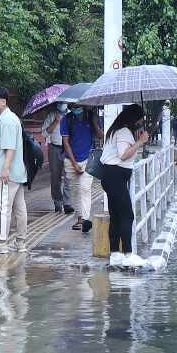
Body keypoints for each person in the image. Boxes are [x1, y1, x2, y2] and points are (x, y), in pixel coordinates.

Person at [97, 103, 151, 268]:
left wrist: (137, 141)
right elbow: (123, 155)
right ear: (134, 118)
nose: (141, 123)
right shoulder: (123, 132)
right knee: (127, 215)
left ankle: (115, 254)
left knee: (116, 216)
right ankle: (128, 254)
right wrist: (140, 142)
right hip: (115, 177)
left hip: (111, 176)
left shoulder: (117, 130)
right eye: (140, 120)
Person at [0, 85, 28, 253]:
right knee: (19, 207)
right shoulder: (11, 118)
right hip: (17, 172)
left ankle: (2, 243)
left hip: (8, 173)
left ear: (3, 101)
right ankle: (20, 242)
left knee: (4, 207)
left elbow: (9, 147)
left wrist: (5, 168)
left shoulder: (7, 120)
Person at [64, 103, 100, 235]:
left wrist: (94, 121)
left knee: (85, 189)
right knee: (75, 191)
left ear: (84, 106)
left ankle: (85, 220)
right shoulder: (66, 119)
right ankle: (79, 218)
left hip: (88, 158)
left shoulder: (91, 118)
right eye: (72, 106)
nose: (75, 109)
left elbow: (100, 135)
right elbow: (66, 142)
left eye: (77, 106)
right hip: (70, 160)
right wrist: (74, 163)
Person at [40, 99, 69, 214]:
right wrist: (56, 121)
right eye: (60, 102)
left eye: (64, 101)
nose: (62, 104)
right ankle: (58, 202)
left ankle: (68, 203)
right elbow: (44, 133)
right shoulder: (52, 115)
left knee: (69, 176)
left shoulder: (71, 115)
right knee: (55, 177)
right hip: (55, 148)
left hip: (68, 148)